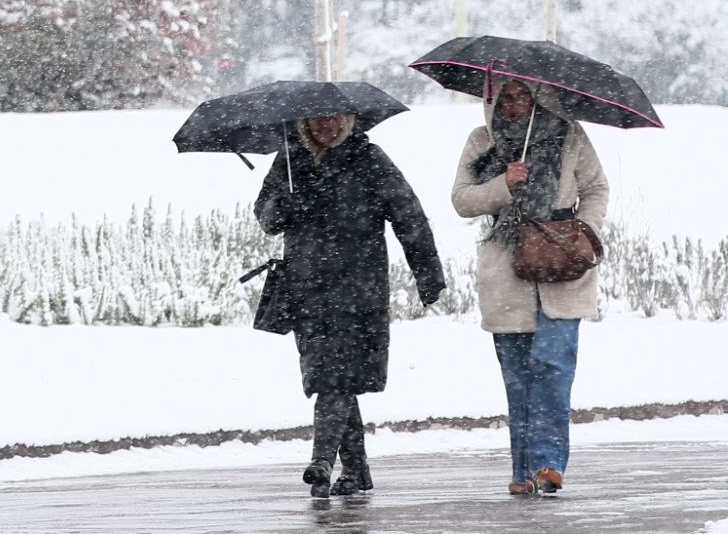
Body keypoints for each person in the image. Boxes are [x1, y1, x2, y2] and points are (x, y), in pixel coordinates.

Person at [254, 113, 447, 498]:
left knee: (334, 379)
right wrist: (285, 206)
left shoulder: (369, 159)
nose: (326, 126)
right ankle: (356, 471)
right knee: (332, 378)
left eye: (335, 120)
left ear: (348, 121)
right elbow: (265, 216)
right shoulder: (290, 161)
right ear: (304, 124)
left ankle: (322, 459)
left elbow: (409, 217)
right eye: (317, 120)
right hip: (306, 291)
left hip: (357, 292)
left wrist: (429, 276)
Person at [450, 78, 609, 496]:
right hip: (506, 269)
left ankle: (547, 465)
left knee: (553, 367)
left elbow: (596, 188)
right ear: (494, 100)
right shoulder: (482, 140)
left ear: (540, 97)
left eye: (525, 94)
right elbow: (462, 200)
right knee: (518, 378)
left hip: (564, 262)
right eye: (508, 96)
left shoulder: (570, 134)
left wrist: (584, 232)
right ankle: (523, 472)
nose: (517, 103)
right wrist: (504, 183)